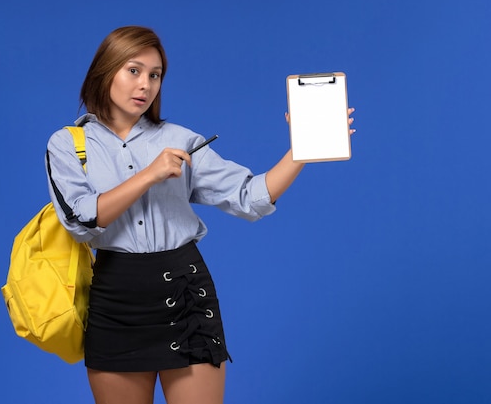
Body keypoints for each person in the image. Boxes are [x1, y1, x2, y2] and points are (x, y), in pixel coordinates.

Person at [46, 25, 355, 404]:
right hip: (116, 301)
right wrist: (150, 174)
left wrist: (301, 149)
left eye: (155, 75)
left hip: (186, 291)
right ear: (105, 70)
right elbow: (81, 220)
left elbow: (249, 197)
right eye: (134, 70)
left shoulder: (180, 139)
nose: (146, 84)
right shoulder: (67, 144)